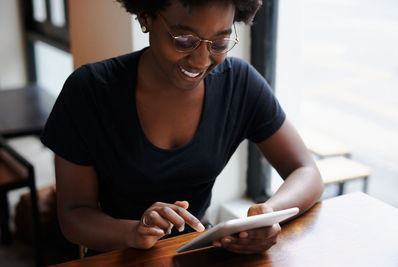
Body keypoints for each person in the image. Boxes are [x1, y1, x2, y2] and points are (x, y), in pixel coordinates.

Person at [41, 0, 323, 256]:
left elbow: (306, 171)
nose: (201, 60)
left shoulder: (239, 85)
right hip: (118, 256)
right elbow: (73, 215)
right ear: (145, 16)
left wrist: (267, 216)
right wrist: (132, 232)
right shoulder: (90, 91)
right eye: (185, 40)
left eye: (220, 43)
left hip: (198, 254)